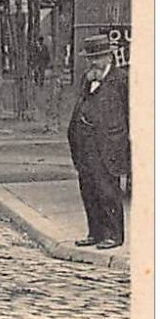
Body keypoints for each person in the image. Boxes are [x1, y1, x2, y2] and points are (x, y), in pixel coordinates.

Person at [67, 34, 129, 249]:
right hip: (86, 146)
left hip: (109, 145)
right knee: (89, 191)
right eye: (90, 57)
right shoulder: (88, 78)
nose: (93, 62)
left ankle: (114, 235)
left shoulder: (121, 80)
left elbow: (131, 114)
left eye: (98, 57)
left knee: (108, 192)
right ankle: (95, 232)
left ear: (108, 57)